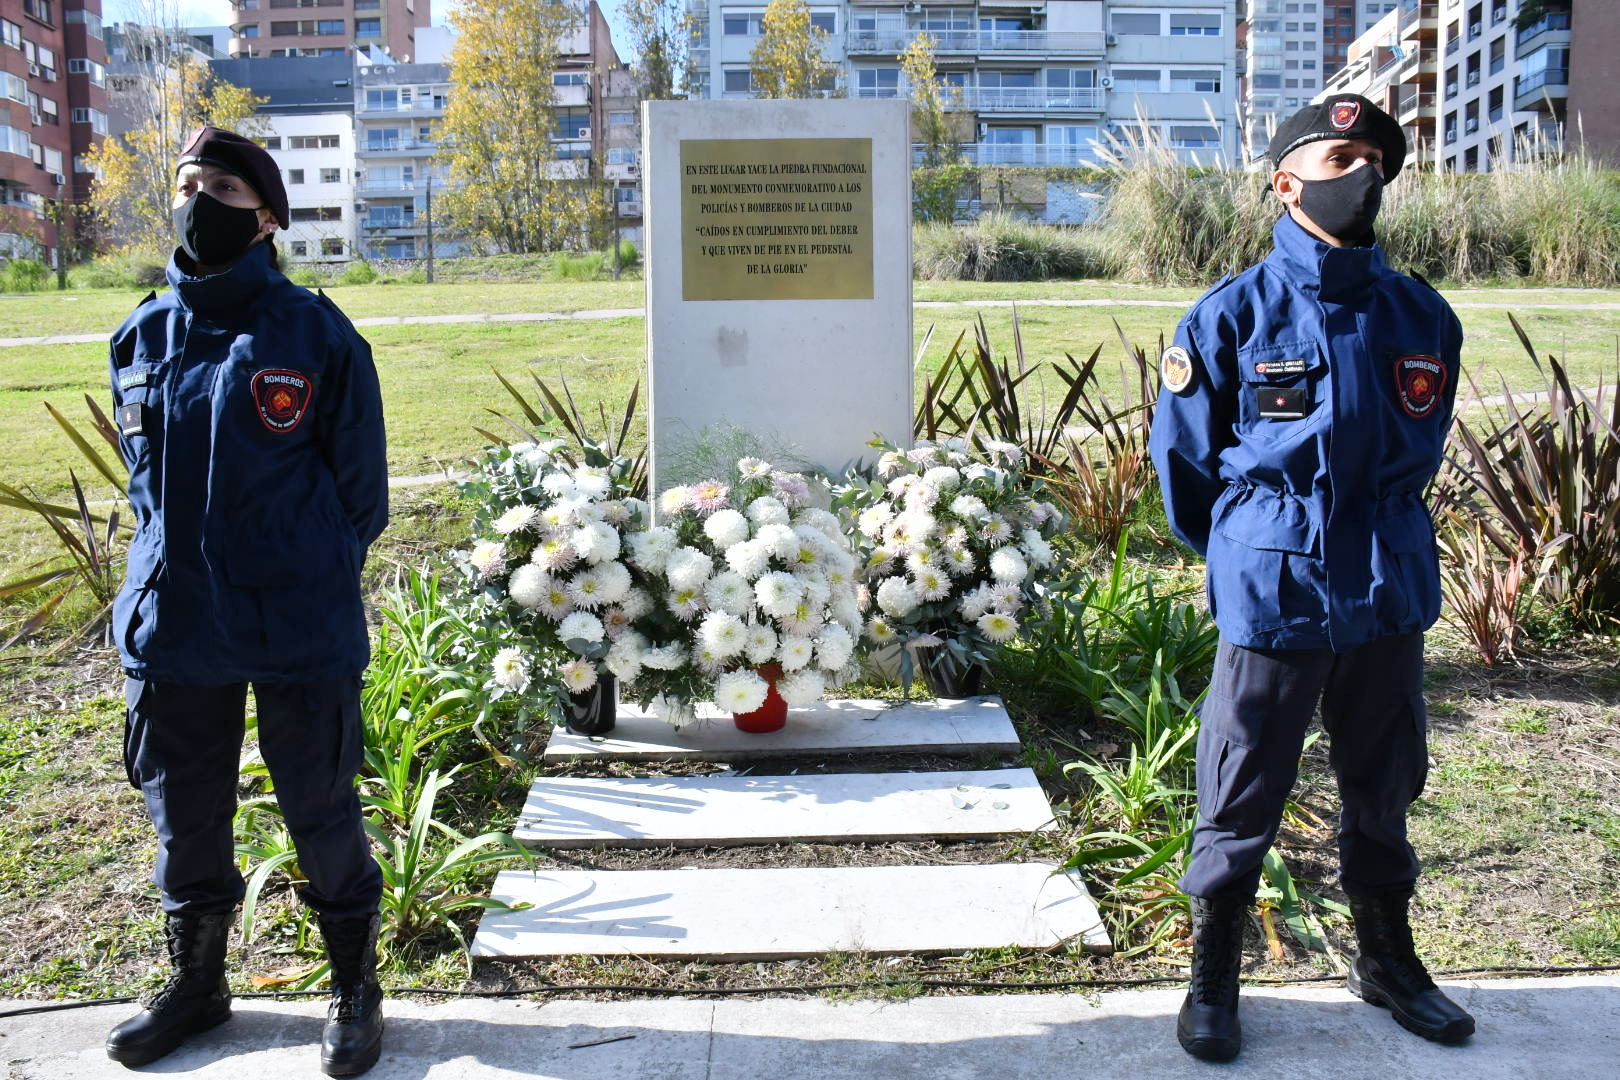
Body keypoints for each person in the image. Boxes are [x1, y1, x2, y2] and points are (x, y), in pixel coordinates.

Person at [1149, 95, 1474, 1062]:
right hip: (1277, 592)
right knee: (1242, 784)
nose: (1363, 172)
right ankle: (1213, 972)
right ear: (1286, 180)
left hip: (1386, 587)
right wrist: (1255, 553)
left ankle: (1387, 960)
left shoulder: (1422, 314)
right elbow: (1187, 475)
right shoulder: (1229, 316)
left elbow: (1421, 448)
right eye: (1342, 154)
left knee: (1384, 781)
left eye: (1375, 156)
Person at [103, 126, 389, 1077]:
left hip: (295, 621)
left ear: (267, 215)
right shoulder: (138, 336)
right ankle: (197, 986)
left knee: (319, 806)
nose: (199, 198)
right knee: (185, 815)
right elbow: (143, 482)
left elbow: (362, 496)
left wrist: (289, 564)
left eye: (222, 184)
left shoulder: (316, 334)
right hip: (175, 621)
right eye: (189, 182)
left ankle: (353, 987)